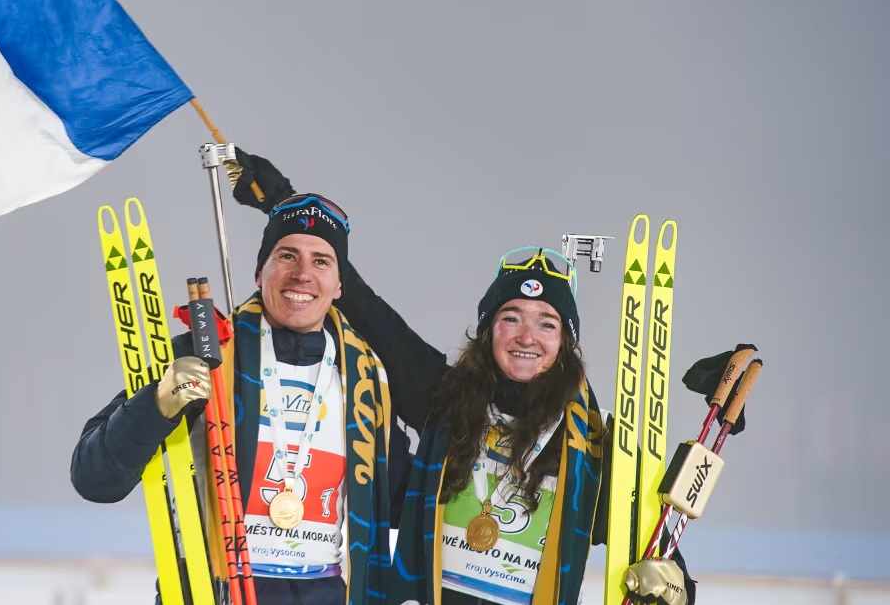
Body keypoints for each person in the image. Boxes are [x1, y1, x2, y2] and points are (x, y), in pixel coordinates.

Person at [229, 150, 695, 605]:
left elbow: (646, 540)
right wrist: (289, 207)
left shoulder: (587, 443)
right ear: (489, 329)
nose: (526, 336)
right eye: (510, 317)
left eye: (547, 323)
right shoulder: (446, 399)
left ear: (566, 343)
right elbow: (369, 314)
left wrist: (676, 584)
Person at [71, 193, 402, 605]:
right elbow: (94, 478)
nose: (302, 274)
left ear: (339, 286)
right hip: (212, 592)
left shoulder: (366, 383)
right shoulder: (207, 355)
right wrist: (157, 405)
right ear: (259, 271)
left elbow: (411, 498)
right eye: (287, 255)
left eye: (321, 261)